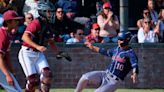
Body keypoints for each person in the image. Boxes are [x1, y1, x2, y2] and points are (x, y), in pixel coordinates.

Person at [18, 1, 71, 92]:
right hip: (27, 53)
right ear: (42, 12)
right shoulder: (36, 22)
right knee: (33, 81)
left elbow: (50, 41)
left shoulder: (49, 24)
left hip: (38, 54)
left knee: (47, 75)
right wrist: (37, 46)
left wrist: (58, 52)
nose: (51, 14)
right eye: (49, 12)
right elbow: (24, 37)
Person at [75, 31, 139, 92]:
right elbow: (104, 51)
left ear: (127, 40)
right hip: (105, 74)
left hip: (114, 81)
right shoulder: (116, 49)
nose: (119, 41)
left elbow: (135, 65)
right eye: (118, 39)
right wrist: (92, 47)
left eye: (121, 39)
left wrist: (135, 73)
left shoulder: (130, 53)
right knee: (85, 77)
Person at [0, 10, 23, 92]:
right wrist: (7, 75)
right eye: (15, 20)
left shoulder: (8, 34)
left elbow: (7, 55)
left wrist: (11, 71)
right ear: (8, 22)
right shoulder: (2, 34)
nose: (18, 22)